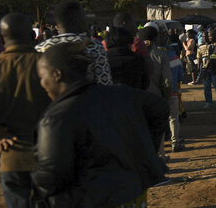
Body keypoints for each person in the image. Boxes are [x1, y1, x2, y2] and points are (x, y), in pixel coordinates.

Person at [33, 42, 168, 206]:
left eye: (41, 77)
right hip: (133, 195)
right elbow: (160, 108)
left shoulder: (56, 118)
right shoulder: (119, 94)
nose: (41, 83)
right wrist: (146, 151)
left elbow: (49, 180)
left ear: (56, 75)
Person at [0, 13, 51, 207]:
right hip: (52, 158)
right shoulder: (51, 66)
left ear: (0, 39)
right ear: (33, 37)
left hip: (12, 160)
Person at [35, 1, 113, 85]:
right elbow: (105, 83)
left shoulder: (41, 48)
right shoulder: (94, 46)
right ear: (76, 19)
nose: (86, 21)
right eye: (84, 17)